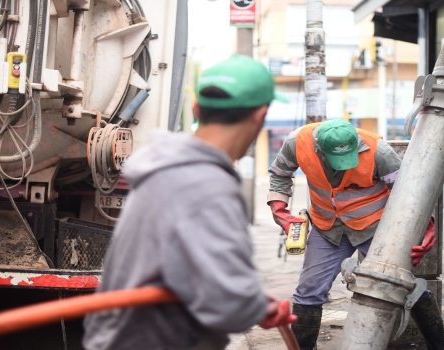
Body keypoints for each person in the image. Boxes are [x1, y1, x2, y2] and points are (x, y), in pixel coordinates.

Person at [83, 55, 296, 350]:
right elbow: (226, 305)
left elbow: (201, 277)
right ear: (260, 115)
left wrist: (253, 302)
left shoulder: (167, 170)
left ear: (197, 108)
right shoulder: (207, 184)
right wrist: (251, 305)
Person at [268, 119, 444, 350]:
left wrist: (428, 226)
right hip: (328, 228)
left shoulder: (379, 151)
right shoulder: (297, 143)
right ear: (318, 149)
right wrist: (279, 210)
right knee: (308, 292)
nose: (344, 166)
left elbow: (409, 194)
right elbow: (280, 174)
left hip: (375, 229)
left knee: (404, 285)